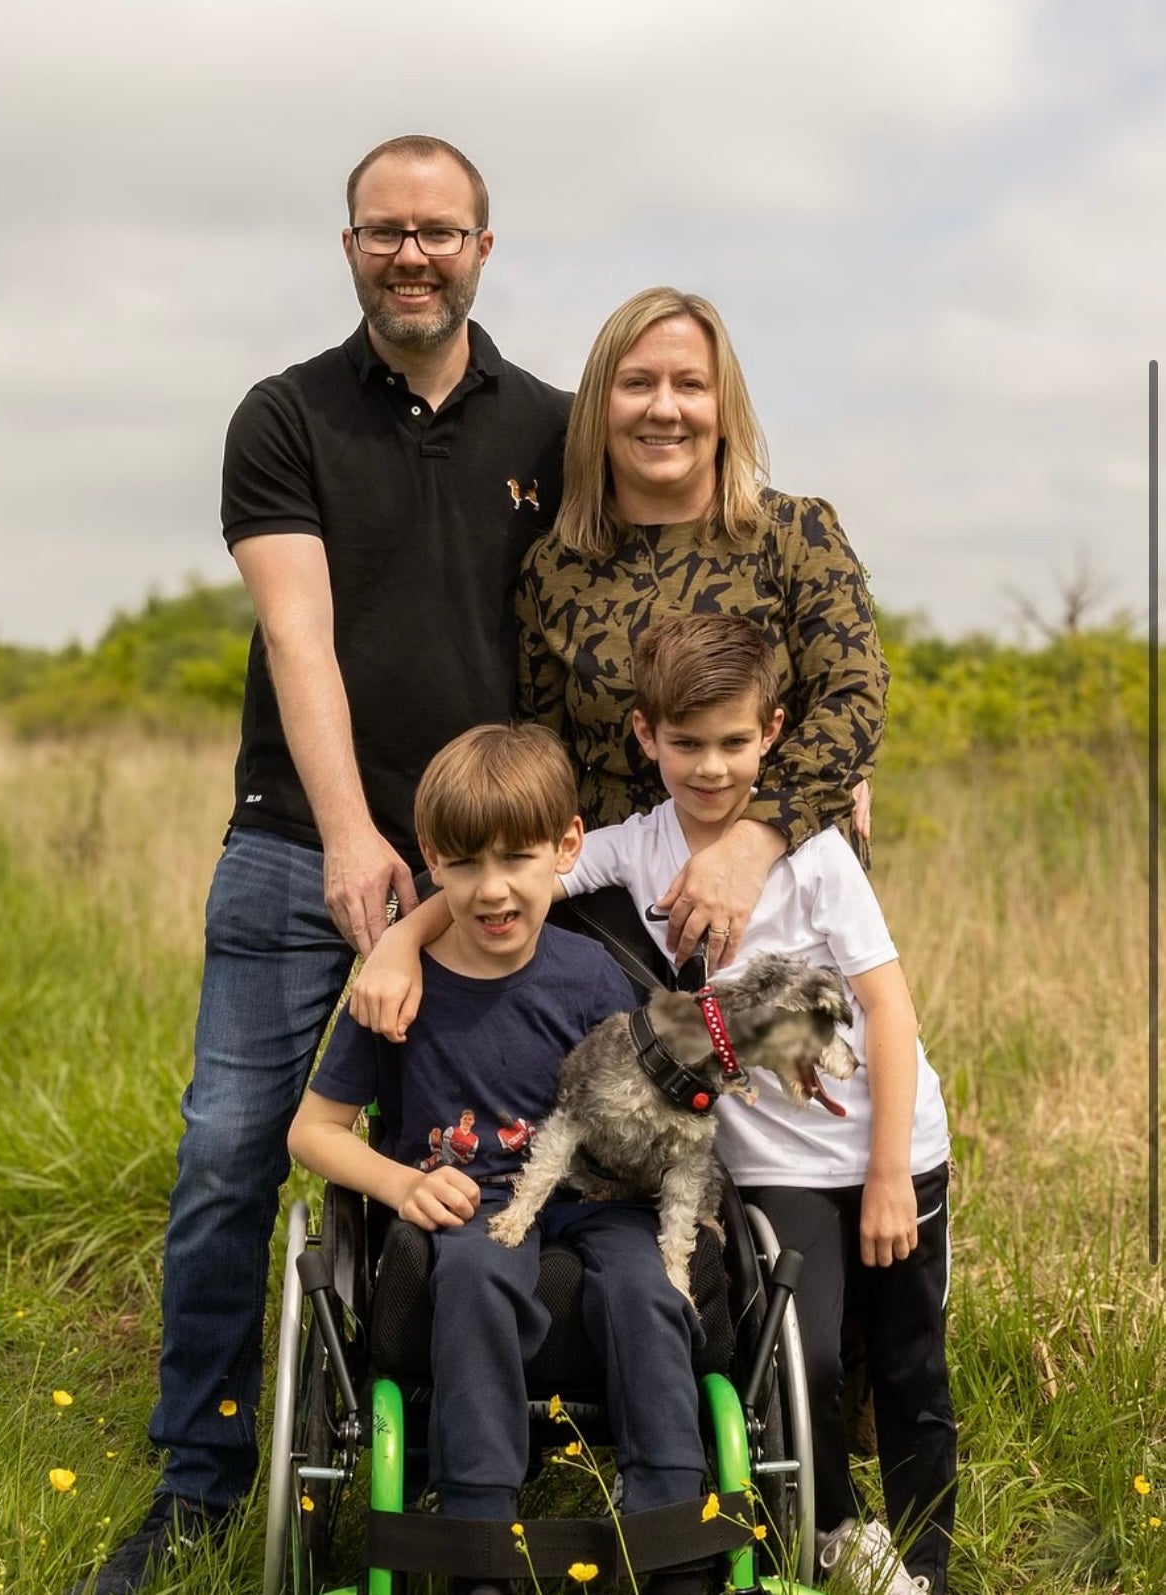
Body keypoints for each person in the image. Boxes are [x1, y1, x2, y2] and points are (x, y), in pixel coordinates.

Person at [74, 135, 571, 1595]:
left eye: (438, 230)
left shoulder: (553, 427)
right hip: (304, 852)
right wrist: (358, 835)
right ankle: (199, 1478)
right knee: (233, 1155)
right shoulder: (282, 413)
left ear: (485, 245)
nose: (409, 254)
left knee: (510, 1167)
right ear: (348, 244)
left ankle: (495, 1448)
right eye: (382, 231)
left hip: (493, 874)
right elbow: (298, 631)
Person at [555, 614, 955, 1595]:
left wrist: (888, 1172)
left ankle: (928, 1563)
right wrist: (406, 936)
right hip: (773, 1165)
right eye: (684, 742)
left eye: (732, 741)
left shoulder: (811, 854)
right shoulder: (635, 846)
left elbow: (887, 1006)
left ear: (770, 730)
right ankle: (835, 1531)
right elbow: (523, 876)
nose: (708, 764)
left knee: (905, 1359)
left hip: (890, 1145)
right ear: (645, 735)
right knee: (800, 1350)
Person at [287, 723, 710, 1594]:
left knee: (644, 1285)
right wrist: (403, 1183)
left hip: (596, 1200)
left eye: (518, 858)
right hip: (467, 1207)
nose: (493, 889)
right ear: (432, 859)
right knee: (479, 1270)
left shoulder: (592, 974)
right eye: (467, 864)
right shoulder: (397, 989)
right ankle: (481, 1531)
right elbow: (312, 1133)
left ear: (565, 848)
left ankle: (672, 1528)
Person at [516, 285, 888, 975]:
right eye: (637, 383)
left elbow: (854, 704)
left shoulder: (796, 534)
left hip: (783, 900)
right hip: (613, 926)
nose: (664, 406)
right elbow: (542, 752)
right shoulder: (554, 567)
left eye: (691, 384)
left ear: (724, 407)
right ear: (600, 405)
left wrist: (750, 844)